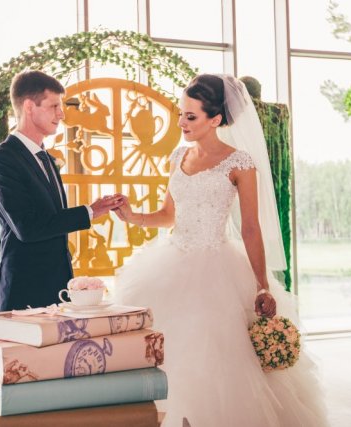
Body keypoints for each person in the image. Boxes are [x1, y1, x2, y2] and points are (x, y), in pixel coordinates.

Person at [112, 74, 327, 426]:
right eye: (180, 114)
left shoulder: (239, 163)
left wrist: (262, 285)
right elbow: (168, 215)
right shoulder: (177, 156)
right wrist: (132, 215)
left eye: (190, 116)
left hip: (217, 270)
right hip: (170, 264)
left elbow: (251, 228)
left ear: (215, 119)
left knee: (215, 360)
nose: (181, 123)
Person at [0, 70, 122, 312]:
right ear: (29, 107)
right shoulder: (3, 159)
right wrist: (89, 212)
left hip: (56, 290)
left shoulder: (46, 158)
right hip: (23, 291)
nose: (61, 114)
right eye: (54, 106)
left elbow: (52, 219)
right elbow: (28, 227)